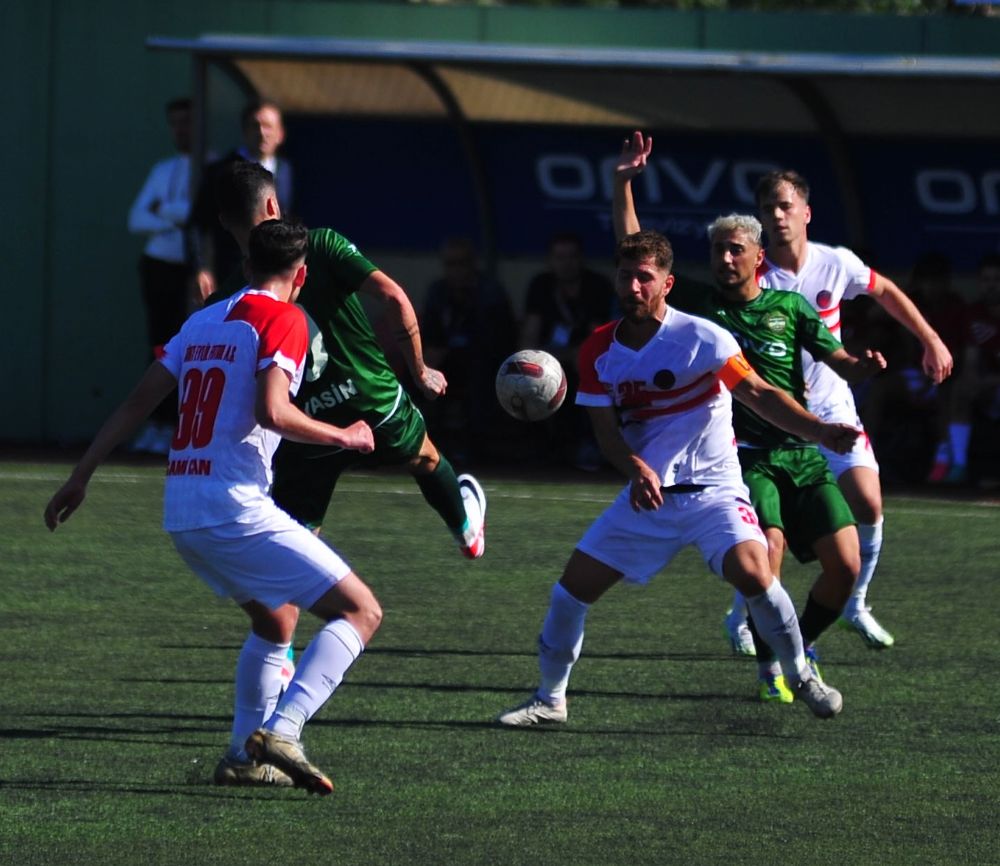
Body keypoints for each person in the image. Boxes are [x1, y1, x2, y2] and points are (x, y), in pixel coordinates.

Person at [45, 220, 379, 794]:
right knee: (361, 612)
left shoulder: (202, 321)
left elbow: (135, 403)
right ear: (301, 276)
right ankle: (285, 730)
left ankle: (243, 758)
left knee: (277, 620)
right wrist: (344, 436)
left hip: (183, 509)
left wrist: (81, 475)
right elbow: (275, 412)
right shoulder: (286, 318)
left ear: (247, 267)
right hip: (234, 506)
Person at [497, 230, 854, 727]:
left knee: (756, 573)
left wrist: (820, 430)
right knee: (569, 593)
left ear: (667, 283)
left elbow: (759, 394)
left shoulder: (703, 338)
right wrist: (636, 468)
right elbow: (607, 436)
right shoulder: (599, 351)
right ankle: (550, 699)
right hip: (649, 498)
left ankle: (801, 673)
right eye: (627, 276)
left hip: (715, 493)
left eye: (646, 278)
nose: (635, 287)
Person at [617, 132, 953, 652]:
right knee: (766, 541)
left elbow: (880, 294)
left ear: (806, 213)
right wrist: (625, 187)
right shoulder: (746, 275)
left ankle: (853, 603)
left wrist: (925, 340)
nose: (776, 215)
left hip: (829, 411)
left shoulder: (834, 263)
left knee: (867, 502)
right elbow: (645, 261)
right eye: (767, 207)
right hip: (762, 422)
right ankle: (747, 618)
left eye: (784, 205)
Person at [212, 162, 487, 560]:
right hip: (371, 402)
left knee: (297, 547)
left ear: (223, 221)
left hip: (303, 430)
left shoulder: (226, 298)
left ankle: (283, 615)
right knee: (427, 459)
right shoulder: (320, 245)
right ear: (273, 203)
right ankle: (467, 536)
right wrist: (420, 370)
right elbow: (393, 297)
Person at [126, 97, 194, 455]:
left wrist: (164, 210)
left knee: (193, 346)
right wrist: (174, 216)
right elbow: (135, 219)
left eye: (187, 121)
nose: (181, 130)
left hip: (194, 272)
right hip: (159, 268)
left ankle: (181, 425)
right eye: (175, 123)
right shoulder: (163, 169)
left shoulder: (213, 166)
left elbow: (196, 216)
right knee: (160, 346)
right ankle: (156, 424)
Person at [520, 231, 616, 469]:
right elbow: (530, 334)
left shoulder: (597, 286)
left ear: (581, 259)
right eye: (560, 257)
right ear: (551, 261)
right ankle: (543, 449)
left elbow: (598, 338)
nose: (566, 264)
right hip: (548, 357)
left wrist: (574, 356)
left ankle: (588, 445)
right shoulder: (541, 285)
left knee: (584, 370)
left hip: (584, 359)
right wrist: (528, 360)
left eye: (572, 257)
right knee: (527, 376)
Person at [187, 98, 294, 302]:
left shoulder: (286, 171)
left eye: (269, 126)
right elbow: (197, 224)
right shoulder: (221, 171)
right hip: (232, 272)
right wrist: (200, 268)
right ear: (245, 131)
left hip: (276, 274)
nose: (262, 132)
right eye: (256, 126)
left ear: (280, 134)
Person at [421, 237, 517, 461]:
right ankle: (423, 443)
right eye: (450, 264)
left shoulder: (490, 293)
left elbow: (494, 342)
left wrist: (450, 350)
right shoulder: (438, 292)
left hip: (484, 362)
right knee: (420, 373)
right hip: (448, 362)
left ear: (472, 264)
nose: (456, 271)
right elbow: (431, 335)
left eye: (461, 264)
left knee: (479, 375)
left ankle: (475, 449)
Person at [927, 253, 1000, 483]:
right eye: (986, 280)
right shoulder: (974, 312)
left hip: (996, 383)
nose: (991, 286)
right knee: (957, 389)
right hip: (987, 384)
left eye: (996, 280)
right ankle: (957, 465)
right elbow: (971, 357)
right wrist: (972, 381)